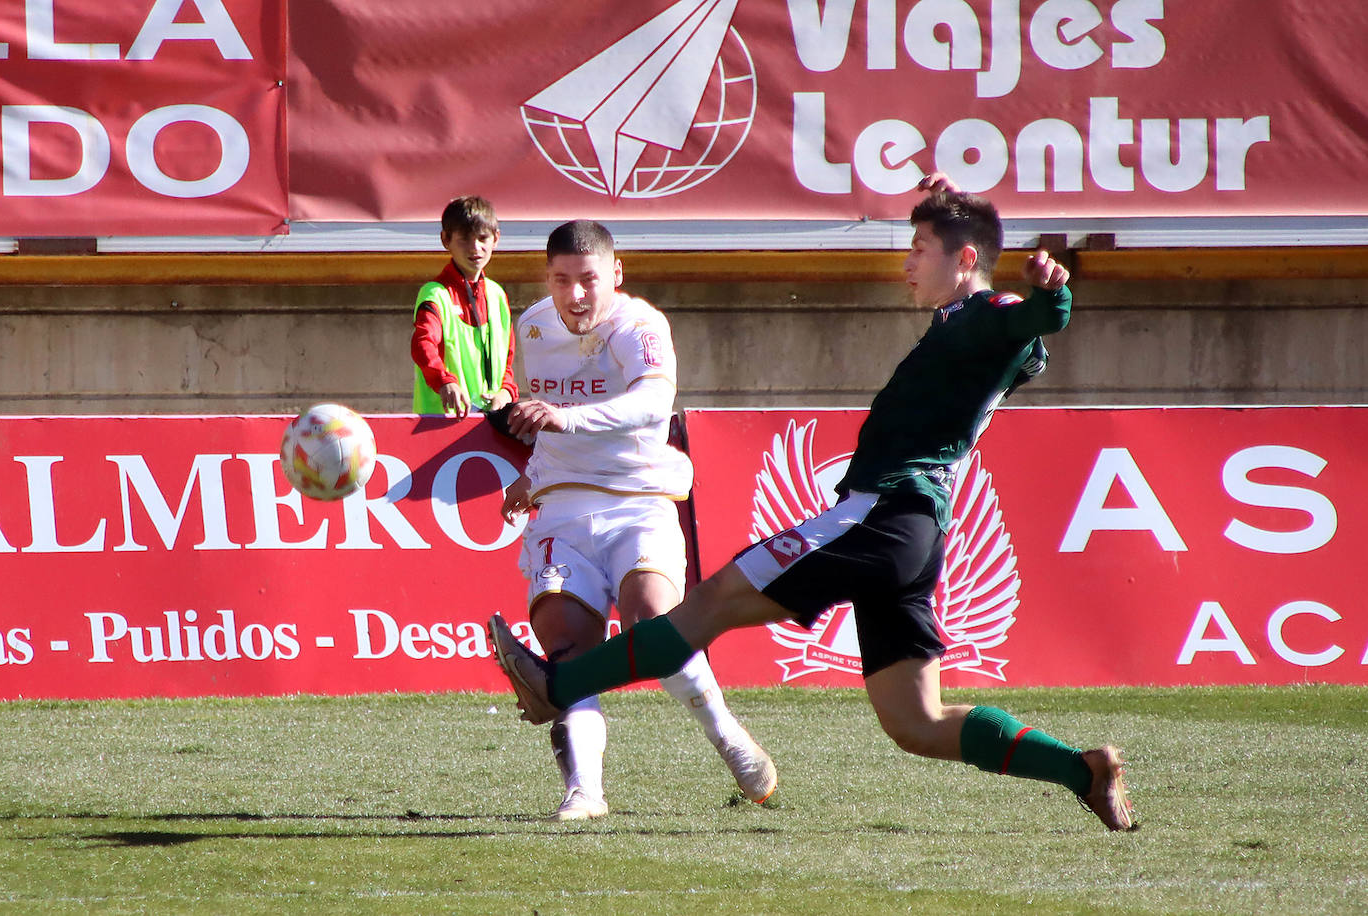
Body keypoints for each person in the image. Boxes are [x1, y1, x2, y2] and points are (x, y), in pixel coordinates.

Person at [489, 177, 1139, 832]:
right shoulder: (965, 327)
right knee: (916, 723)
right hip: (914, 535)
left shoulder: (984, 314)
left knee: (709, 603)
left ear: (963, 259)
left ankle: (557, 687)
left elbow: (1034, 317)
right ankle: (1081, 771)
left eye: (920, 247)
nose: (908, 261)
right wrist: (955, 208)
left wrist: (1052, 292)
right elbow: (1023, 343)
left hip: (878, 515)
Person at [496, 219, 778, 821]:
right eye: (560, 280)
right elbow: (549, 430)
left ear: (615, 275)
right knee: (569, 650)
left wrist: (567, 419)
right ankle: (585, 792)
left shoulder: (639, 325)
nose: (574, 295)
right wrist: (535, 475)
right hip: (563, 512)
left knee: (653, 622)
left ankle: (724, 731)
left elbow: (654, 400)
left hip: (638, 501)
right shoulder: (533, 325)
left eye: (588, 280)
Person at [411, 196, 517, 418]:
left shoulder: (497, 295)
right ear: (445, 240)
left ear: (496, 239)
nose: (475, 248)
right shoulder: (435, 293)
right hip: (440, 423)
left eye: (482, 238)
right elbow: (423, 344)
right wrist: (444, 382)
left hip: (489, 424)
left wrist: (506, 392)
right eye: (464, 240)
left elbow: (507, 360)